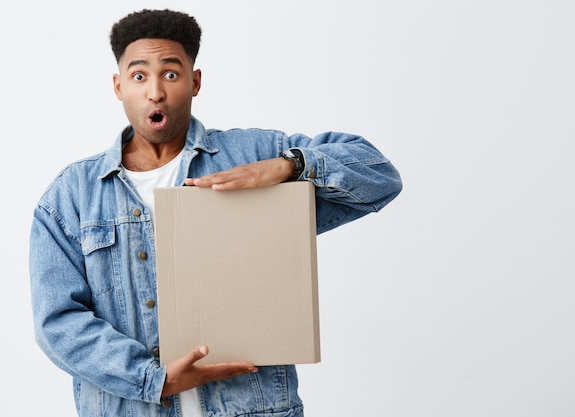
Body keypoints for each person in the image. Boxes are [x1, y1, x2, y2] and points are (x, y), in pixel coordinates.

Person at [29, 8, 402, 417]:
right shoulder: (71, 196)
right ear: (118, 86)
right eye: (139, 76)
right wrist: (152, 379)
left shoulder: (252, 154)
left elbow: (380, 174)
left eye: (170, 74)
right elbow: (58, 323)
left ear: (195, 81)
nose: (155, 91)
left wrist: (288, 166)